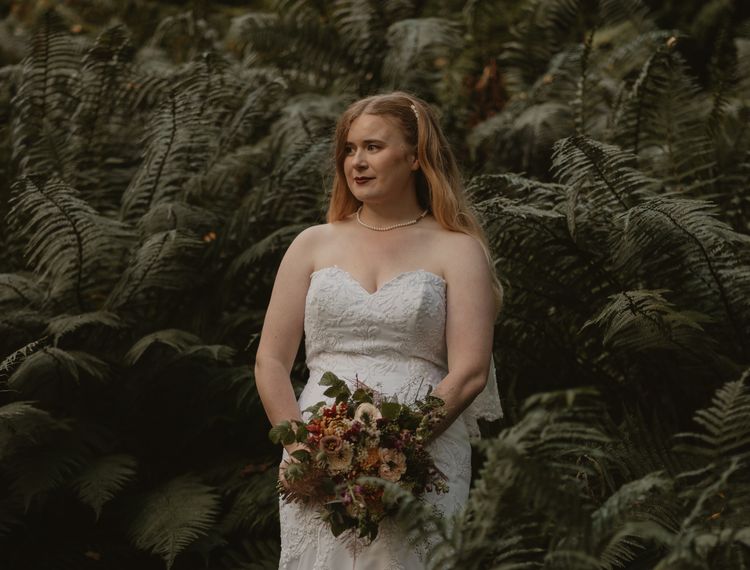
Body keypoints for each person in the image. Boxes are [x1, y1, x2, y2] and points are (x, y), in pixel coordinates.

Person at [254, 91, 504, 569]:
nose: (357, 161)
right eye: (349, 149)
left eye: (373, 147)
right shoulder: (312, 244)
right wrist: (303, 451)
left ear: (415, 156)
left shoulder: (457, 249)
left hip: (424, 453)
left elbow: (471, 371)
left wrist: (396, 449)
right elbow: (270, 361)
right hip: (319, 450)